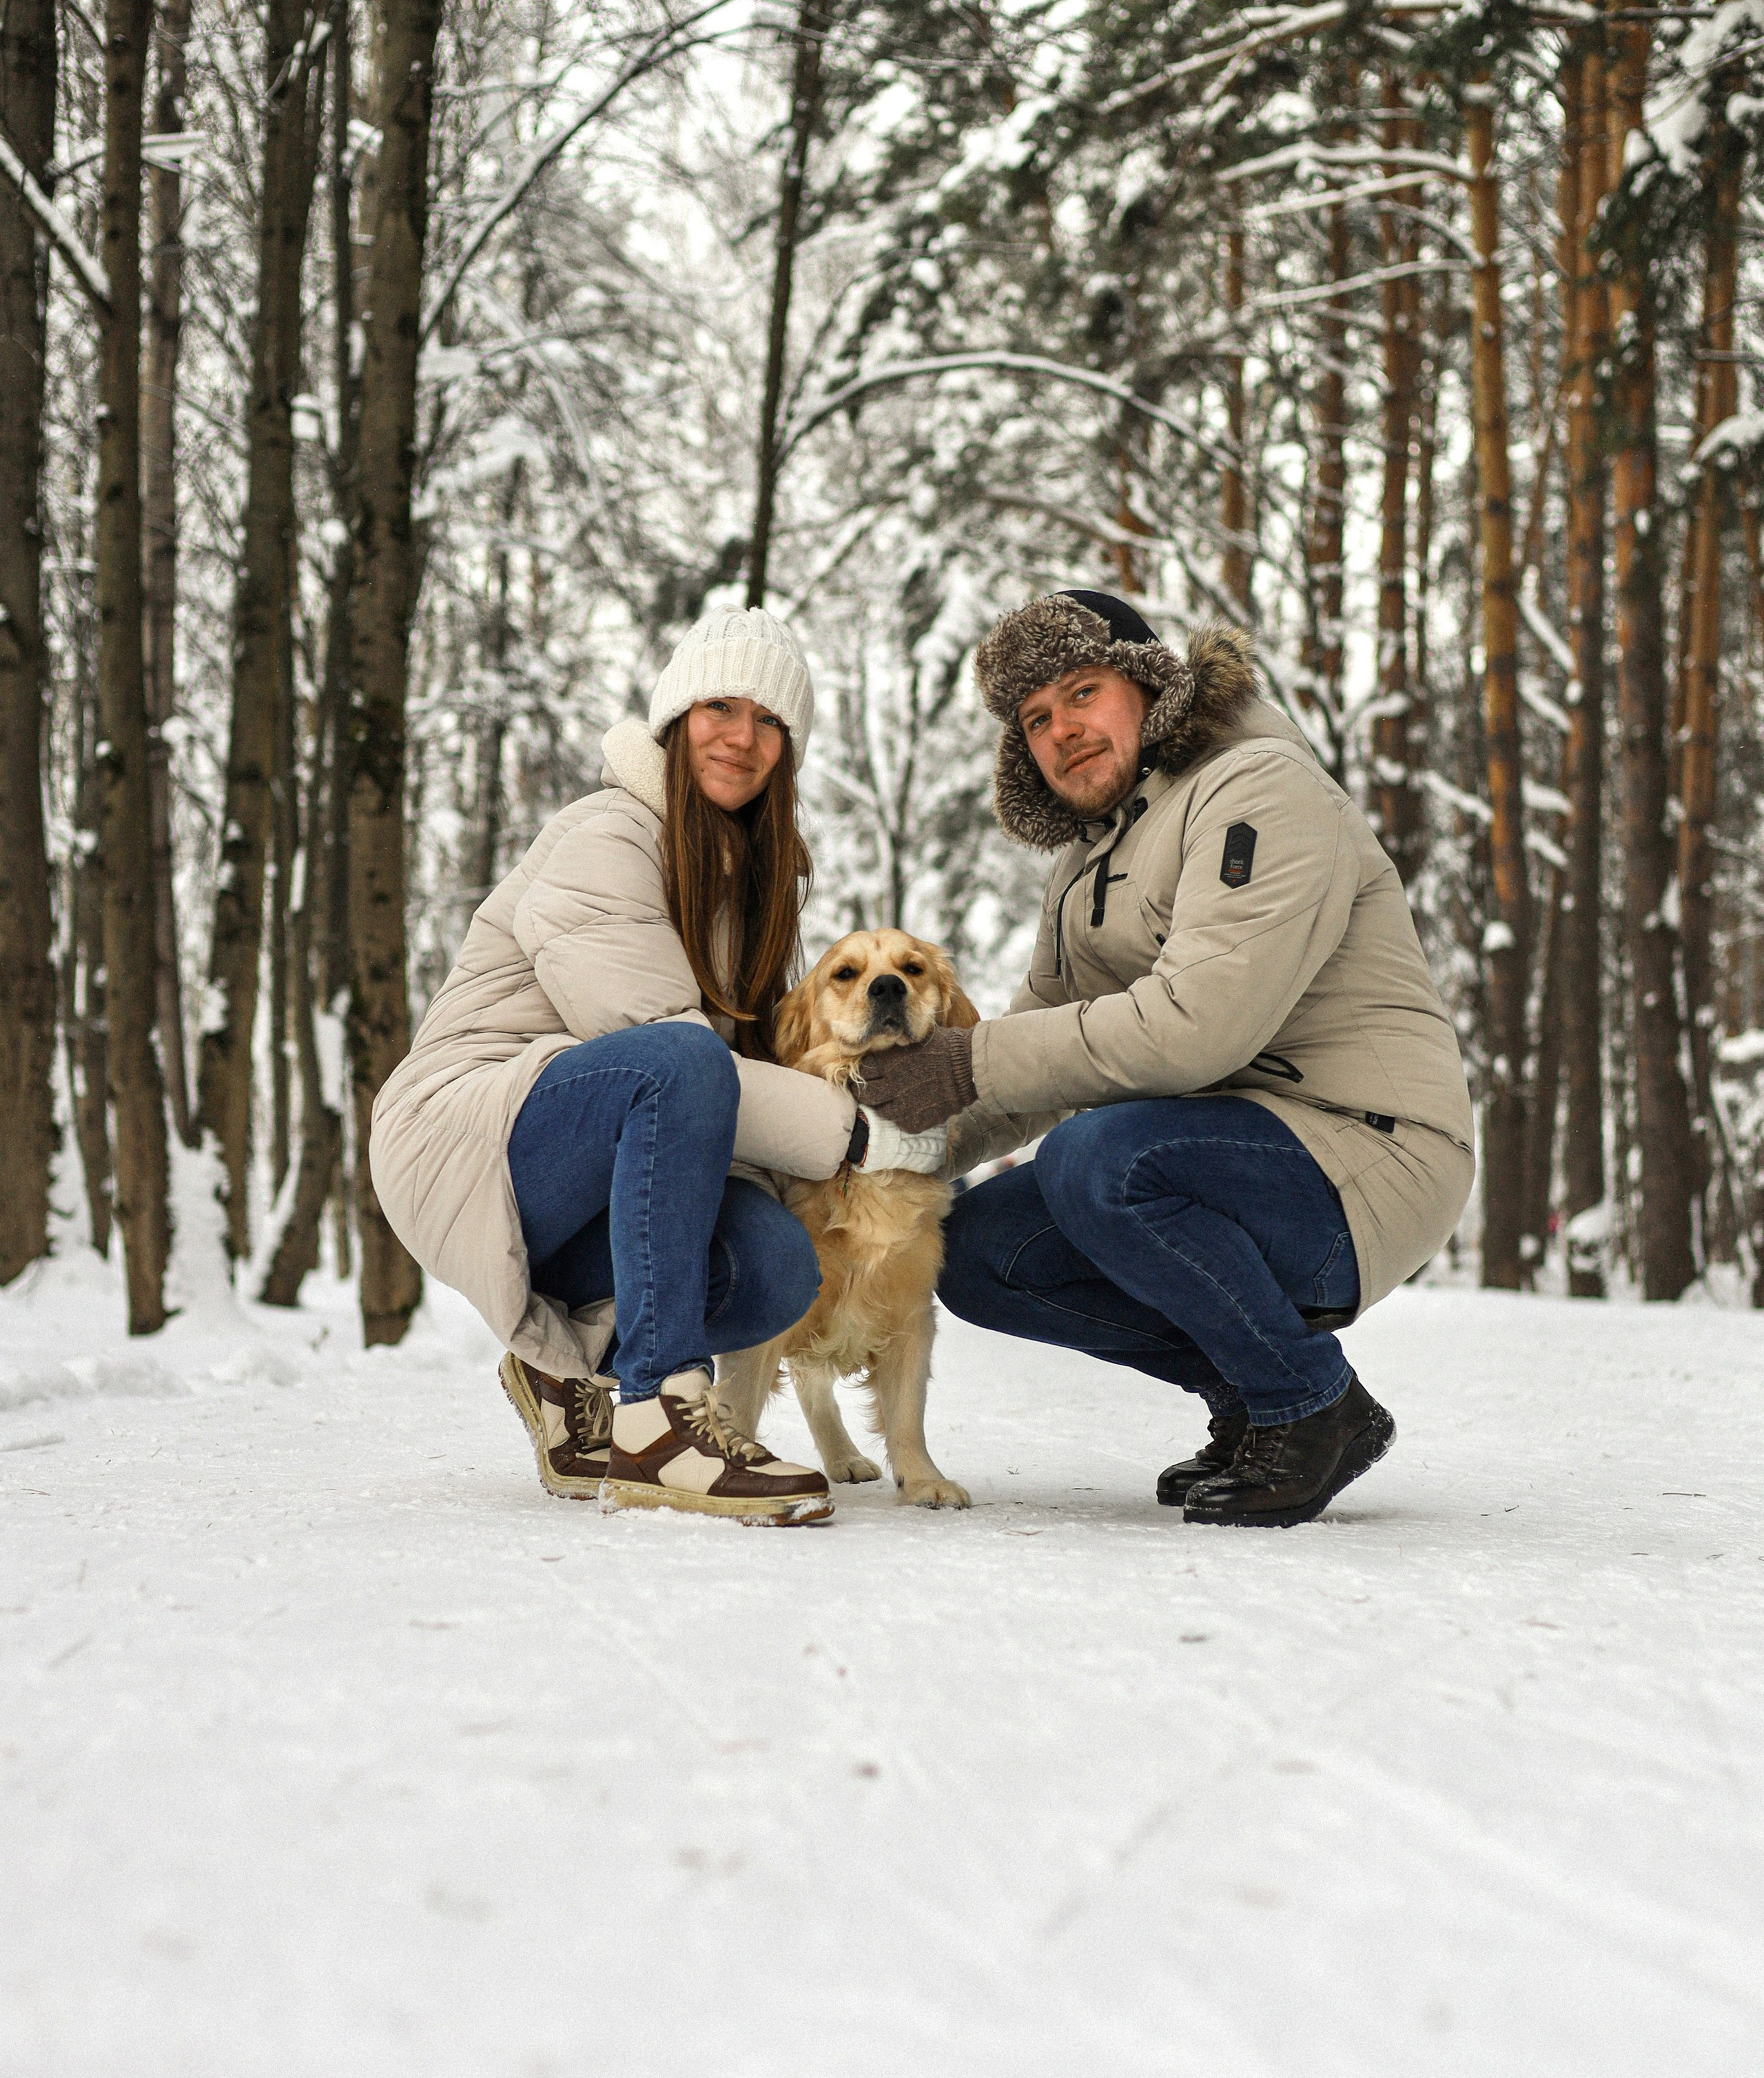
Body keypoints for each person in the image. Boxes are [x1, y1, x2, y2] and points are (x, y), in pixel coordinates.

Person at [857, 589, 1474, 1529]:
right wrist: (872, 1152)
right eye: (1035, 718)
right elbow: (1034, 1055)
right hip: (1216, 1150)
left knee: (1101, 1160)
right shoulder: (1082, 868)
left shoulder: (1261, 790)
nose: (1062, 730)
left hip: (1367, 1151)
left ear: (1149, 687)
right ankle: (1253, 1391)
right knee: (980, 1250)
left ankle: (1308, 1404)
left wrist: (967, 1060)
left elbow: (1197, 1030)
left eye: (1083, 693)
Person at [369, 607, 942, 1526]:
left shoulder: (746, 887)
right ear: (676, 721)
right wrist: (861, 1134)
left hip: (587, 1164)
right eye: (720, 706)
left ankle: (566, 1380)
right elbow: (672, 1058)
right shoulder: (608, 834)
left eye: (768, 722)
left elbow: (723, 1103)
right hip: (469, 1140)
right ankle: (660, 1421)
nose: (742, 737)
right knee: (680, 1059)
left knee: (774, 1267)